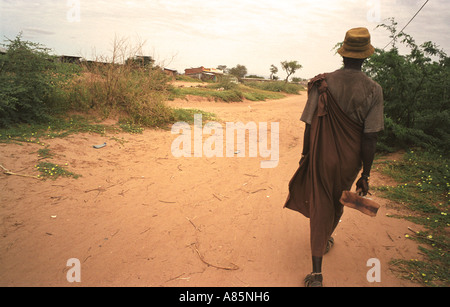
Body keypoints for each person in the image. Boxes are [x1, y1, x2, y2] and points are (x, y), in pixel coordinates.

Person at [284, 27, 384, 287]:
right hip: (350, 162)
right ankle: (325, 238)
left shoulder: (321, 83)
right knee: (338, 201)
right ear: (366, 56)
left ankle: (316, 274)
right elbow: (370, 137)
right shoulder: (374, 89)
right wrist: (366, 174)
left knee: (320, 203)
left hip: (320, 156)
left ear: (343, 53)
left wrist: (306, 154)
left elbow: (308, 124)